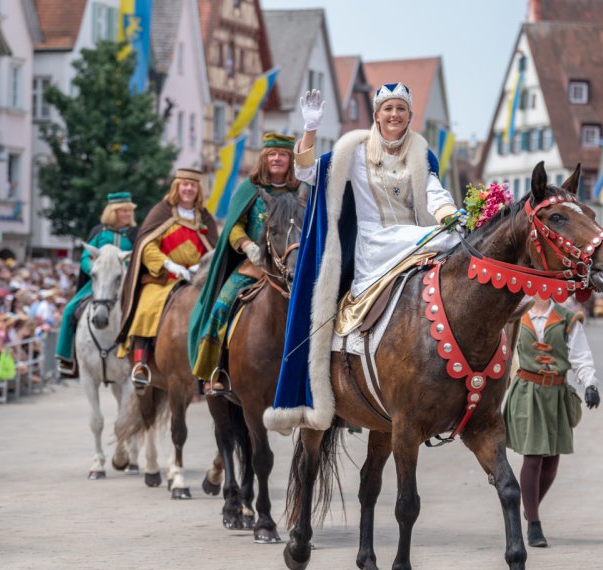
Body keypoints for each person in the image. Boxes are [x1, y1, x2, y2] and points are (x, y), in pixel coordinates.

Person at [266, 84, 468, 432]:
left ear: (410, 115)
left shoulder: (420, 154)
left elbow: (433, 192)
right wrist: (310, 128)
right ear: (376, 115)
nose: (394, 115)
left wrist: (449, 212)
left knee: (461, 238)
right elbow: (306, 173)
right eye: (388, 109)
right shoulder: (354, 152)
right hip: (376, 244)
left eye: (400, 109)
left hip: (414, 237)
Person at [189, 133, 299, 393]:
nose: (277, 159)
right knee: (222, 306)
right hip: (254, 267)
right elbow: (234, 226)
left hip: (293, 266)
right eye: (272, 154)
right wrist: (248, 246)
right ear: (264, 158)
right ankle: (213, 370)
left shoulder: (301, 191)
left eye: (283, 155)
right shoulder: (249, 189)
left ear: (290, 160)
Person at [504, 294, 601, 547]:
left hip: (556, 393)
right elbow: (502, 351)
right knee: (534, 456)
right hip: (527, 393)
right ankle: (534, 525)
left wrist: (590, 384)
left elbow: (581, 356)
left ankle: (530, 508)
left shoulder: (568, 319)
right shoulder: (516, 316)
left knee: (551, 462)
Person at [117, 169, 218, 388]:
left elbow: (214, 250)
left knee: (220, 308)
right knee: (147, 308)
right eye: (185, 184)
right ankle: (141, 363)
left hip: (199, 279)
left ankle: (217, 365)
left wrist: (200, 266)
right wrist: (169, 264)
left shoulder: (205, 217)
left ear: (198, 189)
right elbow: (147, 246)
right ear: (176, 187)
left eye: (193, 185)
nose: (189, 189)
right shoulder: (161, 212)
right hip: (164, 278)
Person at [56, 192, 137, 377]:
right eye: (123, 210)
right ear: (113, 212)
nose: (128, 214)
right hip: (99, 282)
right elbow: (85, 256)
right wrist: (94, 269)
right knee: (69, 309)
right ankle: (67, 358)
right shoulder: (99, 232)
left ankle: (143, 360)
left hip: (126, 283)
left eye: (129, 210)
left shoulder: (134, 234)